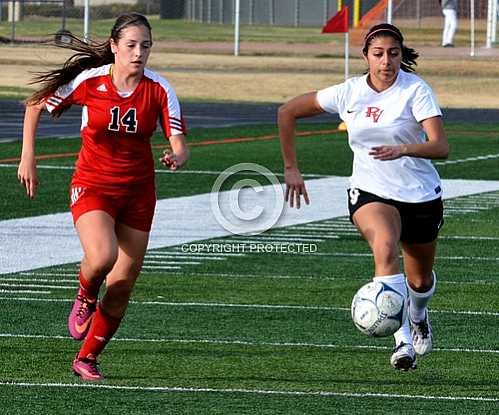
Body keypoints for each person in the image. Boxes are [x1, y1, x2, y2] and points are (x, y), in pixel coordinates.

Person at [17, 12, 189, 381]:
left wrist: (176, 155)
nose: (138, 53)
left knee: (123, 284)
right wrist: (28, 156)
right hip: (93, 185)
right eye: (130, 45)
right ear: (114, 47)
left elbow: (179, 141)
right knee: (103, 256)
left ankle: (88, 357)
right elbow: (35, 104)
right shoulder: (89, 81)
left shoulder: (159, 89)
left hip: (139, 192)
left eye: (145, 46)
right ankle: (84, 296)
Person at [278, 23, 449, 371]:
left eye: (394, 53)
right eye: (379, 54)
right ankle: (403, 343)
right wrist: (291, 167)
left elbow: (440, 146)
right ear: (366, 56)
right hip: (371, 192)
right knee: (385, 250)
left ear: (402, 55)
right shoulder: (350, 92)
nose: (387, 61)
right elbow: (287, 111)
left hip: (419, 195)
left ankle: (417, 314)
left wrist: (404, 149)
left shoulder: (415, 90)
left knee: (420, 280)